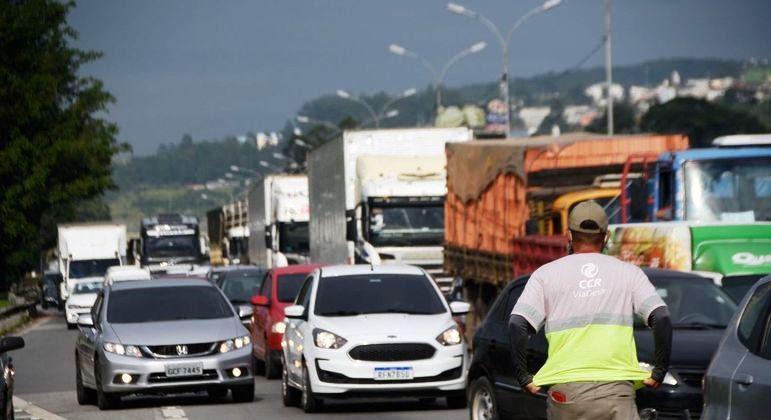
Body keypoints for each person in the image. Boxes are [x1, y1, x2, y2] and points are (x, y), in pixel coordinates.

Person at [509, 201, 672, 420]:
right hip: (616, 392)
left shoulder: (545, 275)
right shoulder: (629, 273)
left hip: (566, 393)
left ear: (569, 235)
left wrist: (523, 376)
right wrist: (659, 371)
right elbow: (661, 317)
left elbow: (516, 324)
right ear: (606, 237)